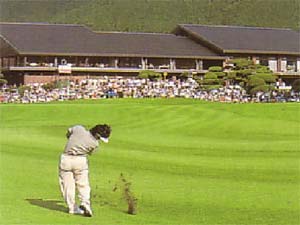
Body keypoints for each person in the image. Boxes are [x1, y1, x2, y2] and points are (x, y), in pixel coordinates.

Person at [58, 124, 111, 217]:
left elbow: (68, 133)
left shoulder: (78, 128)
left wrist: (73, 140)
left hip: (66, 159)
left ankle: (72, 208)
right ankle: (85, 204)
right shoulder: (95, 144)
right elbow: (90, 153)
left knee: (67, 185)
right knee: (83, 185)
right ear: (97, 135)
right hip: (80, 161)